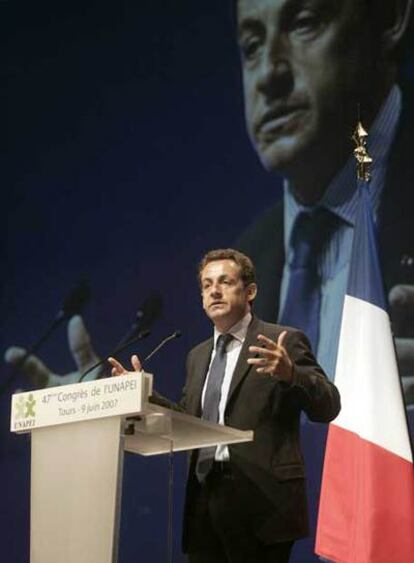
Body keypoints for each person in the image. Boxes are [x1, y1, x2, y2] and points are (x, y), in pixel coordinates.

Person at [109, 248, 341, 563]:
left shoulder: (281, 340)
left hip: (263, 502)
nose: (214, 291)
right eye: (206, 285)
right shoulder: (197, 355)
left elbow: (328, 406)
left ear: (250, 291)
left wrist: (291, 374)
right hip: (205, 500)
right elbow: (192, 421)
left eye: (224, 282)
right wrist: (141, 394)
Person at [233, 0, 414, 402]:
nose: (268, 74)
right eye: (251, 46)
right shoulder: (246, 260)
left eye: (304, 23)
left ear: (389, 18)